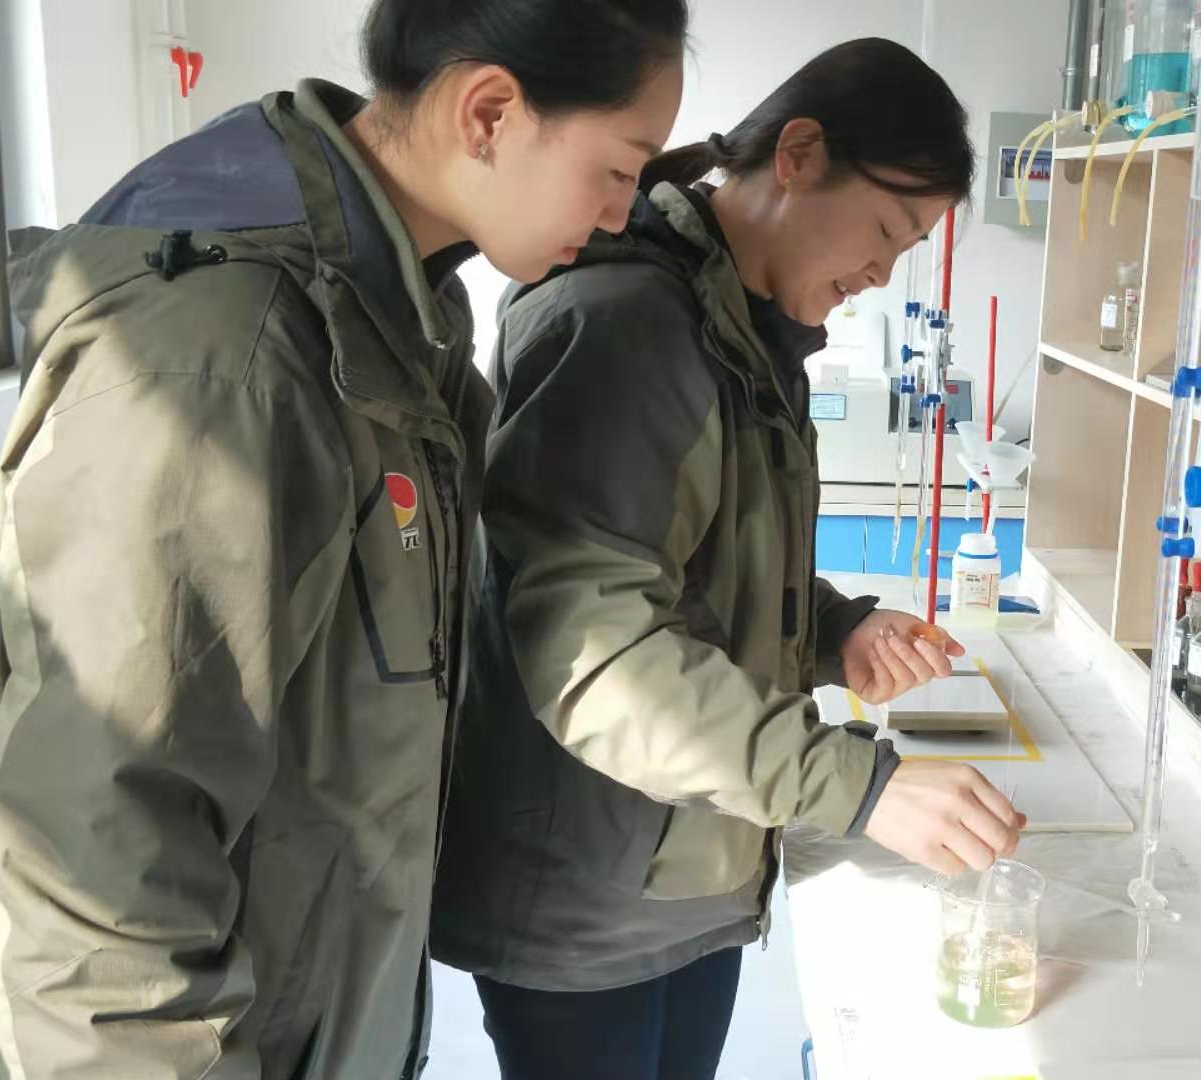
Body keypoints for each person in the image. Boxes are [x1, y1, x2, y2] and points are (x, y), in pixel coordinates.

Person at [0, 1, 685, 1076]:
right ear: (489, 112)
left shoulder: (393, 325)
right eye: (618, 168)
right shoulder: (224, 359)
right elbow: (99, 882)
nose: (623, 214)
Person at [429, 37, 1023, 1080]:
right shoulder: (622, 322)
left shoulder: (745, 331)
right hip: (586, 901)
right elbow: (596, 649)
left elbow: (696, 563)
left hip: (692, 872)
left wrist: (835, 630)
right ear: (798, 154)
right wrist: (860, 787)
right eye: (888, 230)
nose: (882, 273)